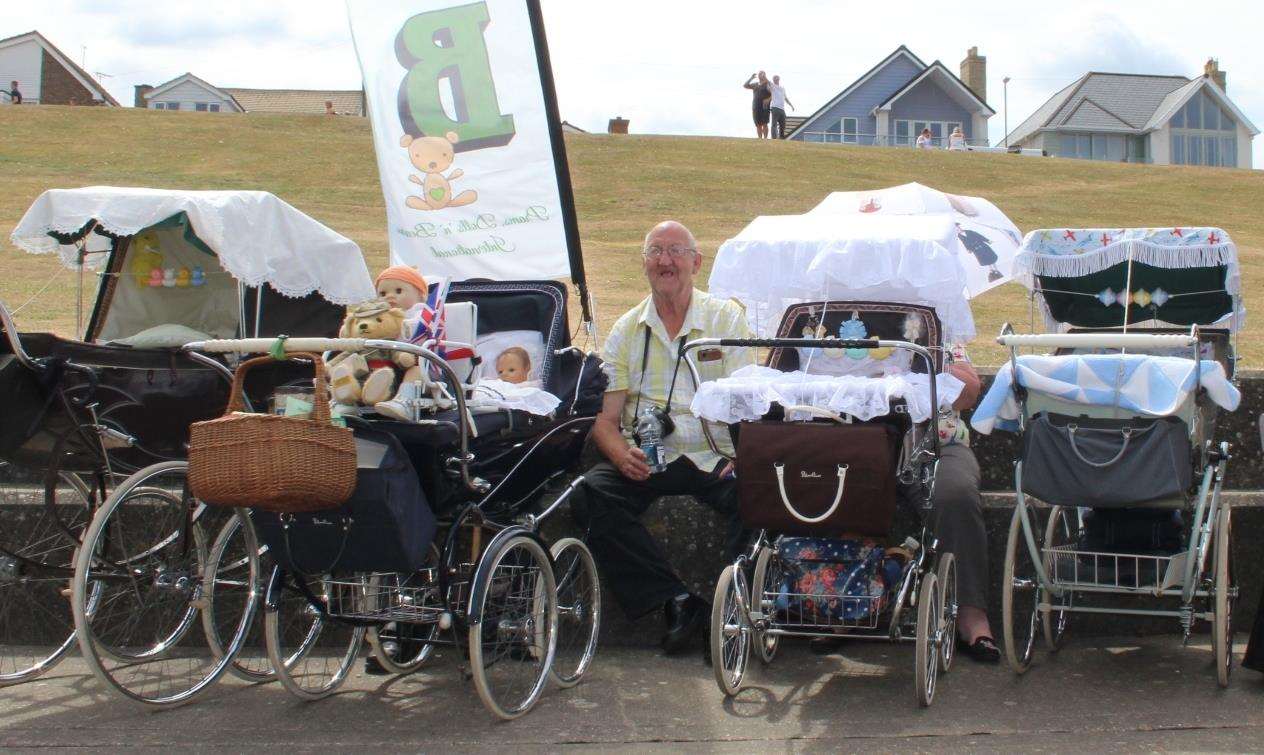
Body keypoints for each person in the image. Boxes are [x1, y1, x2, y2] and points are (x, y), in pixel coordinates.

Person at [571, 220, 754, 654]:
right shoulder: (626, 329)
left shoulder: (726, 318)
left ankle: (731, 616)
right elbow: (605, 418)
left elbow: (746, 399)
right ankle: (676, 600)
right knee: (589, 495)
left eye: (675, 250)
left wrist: (745, 453)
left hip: (716, 455)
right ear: (644, 263)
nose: (665, 260)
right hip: (653, 458)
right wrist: (619, 456)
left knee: (759, 496)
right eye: (655, 251)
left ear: (696, 262)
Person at [743, 71, 771, 139]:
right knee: (758, 124)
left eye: (763, 74)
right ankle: (760, 139)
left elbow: (773, 93)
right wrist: (751, 78)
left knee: (764, 123)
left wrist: (768, 99)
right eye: (760, 74)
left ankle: (765, 138)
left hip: (764, 106)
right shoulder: (755, 84)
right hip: (755, 106)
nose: (761, 75)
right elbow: (745, 85)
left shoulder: (768, 83)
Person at [768, 75, 794, 139]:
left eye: (777, 78)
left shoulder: (782, 88)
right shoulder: (772, 86)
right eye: (774, 79)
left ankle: (781, 138)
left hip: (782, 109)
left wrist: (791, 105)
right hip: (775, 107)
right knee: (774, 124)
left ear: (779, 79)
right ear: (773, 80)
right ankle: (774, 138)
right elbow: (767, 83)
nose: (776, 80)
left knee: (783, 124)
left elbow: (786, 98)